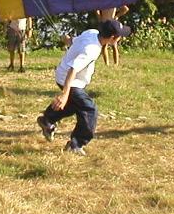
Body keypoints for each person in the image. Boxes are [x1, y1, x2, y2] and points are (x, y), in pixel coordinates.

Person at [36, 18, 131, 156]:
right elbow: (73, 70)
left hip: (63, 74)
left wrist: (67, 40)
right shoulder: (91, 49)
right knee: (89, 109)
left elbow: (73, 41)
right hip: (69, 80)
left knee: (74, 105)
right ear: (112, 38)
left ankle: (47, 120)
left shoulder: (91, 33)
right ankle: (76, 144)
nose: (121, 37)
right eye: (120, 35)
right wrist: (64, 94)